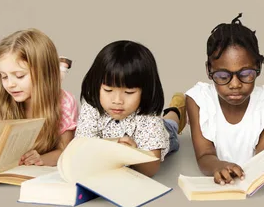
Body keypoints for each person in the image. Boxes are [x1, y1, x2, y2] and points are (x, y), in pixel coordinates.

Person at [185, 13, 264, 188]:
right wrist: (218, 165)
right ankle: (176, 112)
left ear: (258, 67)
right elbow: (204, 156)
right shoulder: (198, 100)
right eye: (223, 76)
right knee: (170, 128)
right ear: (209, 70)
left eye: (246, 74)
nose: (235, 84)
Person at [74, 40, 186, 177]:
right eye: (108, 90)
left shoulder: (150, 120)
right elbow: (83, 147)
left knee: (170, 125)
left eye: (129, 93)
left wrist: (134, 155)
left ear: (146, 90)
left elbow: (151, 169)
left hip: (163, 134)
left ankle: (176, 109)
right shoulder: (91, 108)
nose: (117, 101)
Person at [0, 28, 78, 166]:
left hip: (46, 173)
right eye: (4, 76)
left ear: (42, 73)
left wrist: (41, 159)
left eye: (19, 76)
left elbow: (65, 151)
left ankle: (61, 67)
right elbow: (5, 149)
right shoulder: (6, 99)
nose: (10, 84)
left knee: (56, 81)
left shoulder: (64, 102)